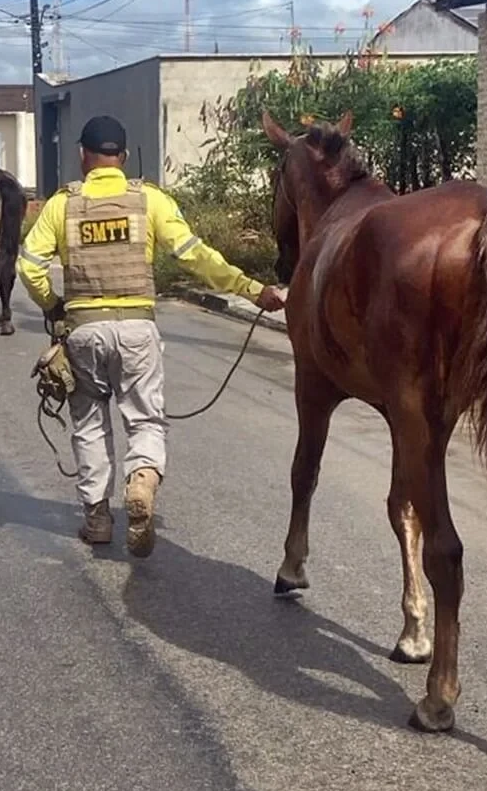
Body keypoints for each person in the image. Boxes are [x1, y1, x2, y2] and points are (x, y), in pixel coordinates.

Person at [18, 115, 286, 558]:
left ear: (83, 156)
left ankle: (98, 518)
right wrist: (251, 289)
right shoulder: (150, 201)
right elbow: (194, 255)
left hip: (84, 331)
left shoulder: (62, 205)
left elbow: (29, 266)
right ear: (122, 158)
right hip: (138, 329)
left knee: (89, 424)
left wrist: (53, 305)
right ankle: (142, 478)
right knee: (144, 419)